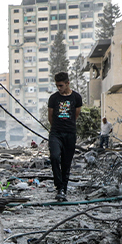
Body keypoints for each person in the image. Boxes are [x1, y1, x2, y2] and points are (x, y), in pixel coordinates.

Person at [47, 71, 83, 201]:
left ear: (67, 83)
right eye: (57, 85)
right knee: (54, 157)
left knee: (66, 163)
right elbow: (50, 117)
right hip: (56, 133)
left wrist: (67, 127)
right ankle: (59, 186)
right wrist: (57, 128)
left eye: (61, 85)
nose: (59, 88)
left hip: (70, 133)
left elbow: (75, 116)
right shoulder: (53, 98)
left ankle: (63, 190)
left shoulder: (76, 97)